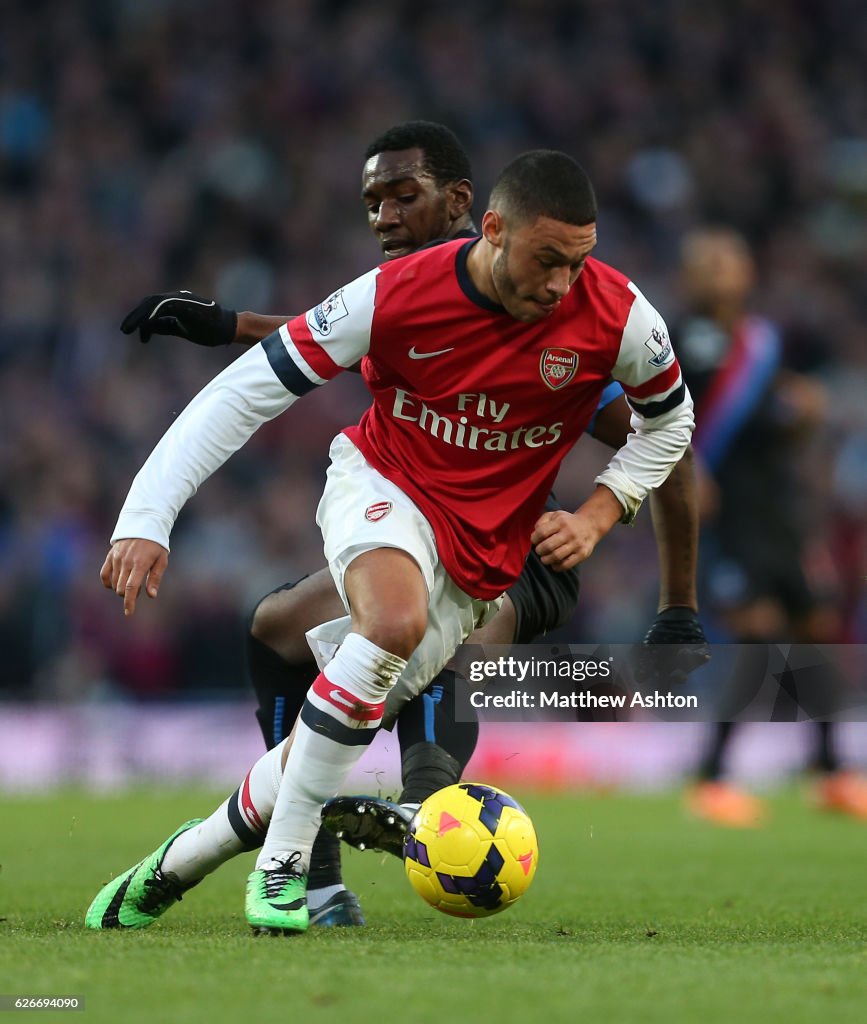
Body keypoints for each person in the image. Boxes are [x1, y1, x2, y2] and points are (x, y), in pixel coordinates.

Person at [85, 125, 707, 932]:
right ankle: (299, 864)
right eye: (370, 200)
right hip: (390, 492)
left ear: (461, 204)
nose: (560, 284)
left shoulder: (599, 318)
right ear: (492, 229)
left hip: (506, 550)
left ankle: (205, 855)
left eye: (576, 261)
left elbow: (669, 427)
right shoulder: (392, 296)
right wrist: (148, 514)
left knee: (373, 676)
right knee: (356, 628)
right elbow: (263, 376)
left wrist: (615, 527)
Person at [673, 227, 867, 826]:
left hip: (778, 510)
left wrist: (806, 415)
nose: (719, 270)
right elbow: (660, 419)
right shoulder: (681, 340)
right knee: (757, 632)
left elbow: (781, 427)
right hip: (729, 514)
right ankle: (710, 778)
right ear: (689, 276)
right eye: (708, 261)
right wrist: (685, 475)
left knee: (812, 629)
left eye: (728, 258)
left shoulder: (762, 341)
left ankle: (832, 771)